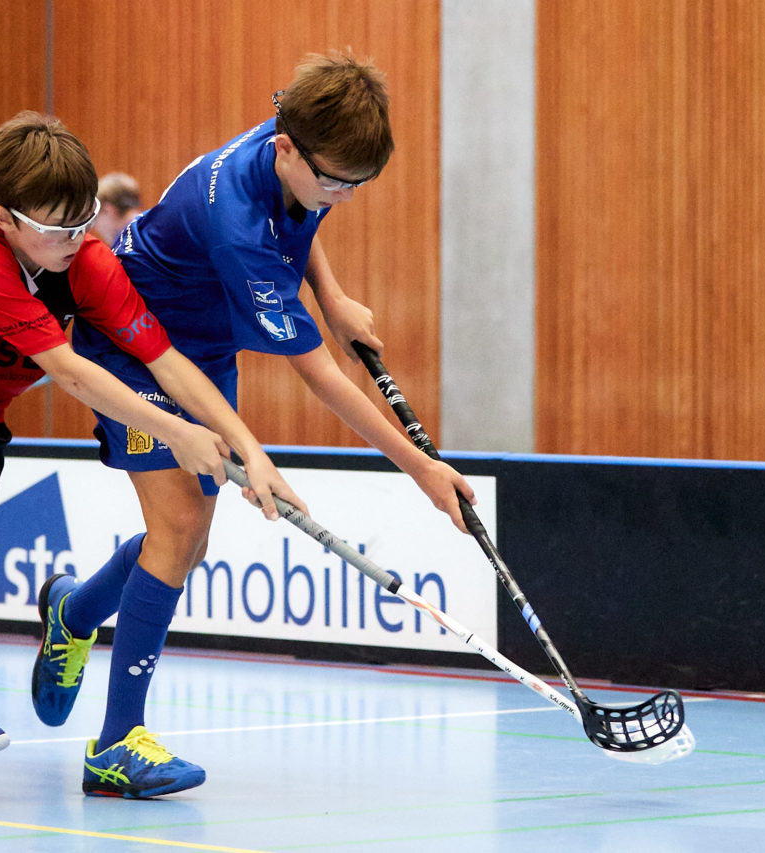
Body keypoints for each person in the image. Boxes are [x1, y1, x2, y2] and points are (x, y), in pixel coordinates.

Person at [31, 51, 476, 799]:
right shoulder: (236, 221)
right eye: (336, 179)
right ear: (286, 147)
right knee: (175, 531)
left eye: (358, 184)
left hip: (203, 347)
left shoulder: (299, 140)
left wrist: (330, 297)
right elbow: (321, 377)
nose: (344, 195)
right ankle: (114, 746)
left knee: (191, 538)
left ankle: (73, 611)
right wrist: (422, 469)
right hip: (134, 342)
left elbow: (304, 215)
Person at [0, 111, 302, 770]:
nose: (75, 238)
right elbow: (69, 370)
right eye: (56, 228)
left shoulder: (87, 260)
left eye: (83, 219)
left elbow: (164, 359)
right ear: (6, 219)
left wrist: (241, 441)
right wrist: (177, 431)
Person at [92, 171, 142, 245]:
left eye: (95, 217)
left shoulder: (126, 247)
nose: (95, 227)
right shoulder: (150, 228)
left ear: (108, 210)